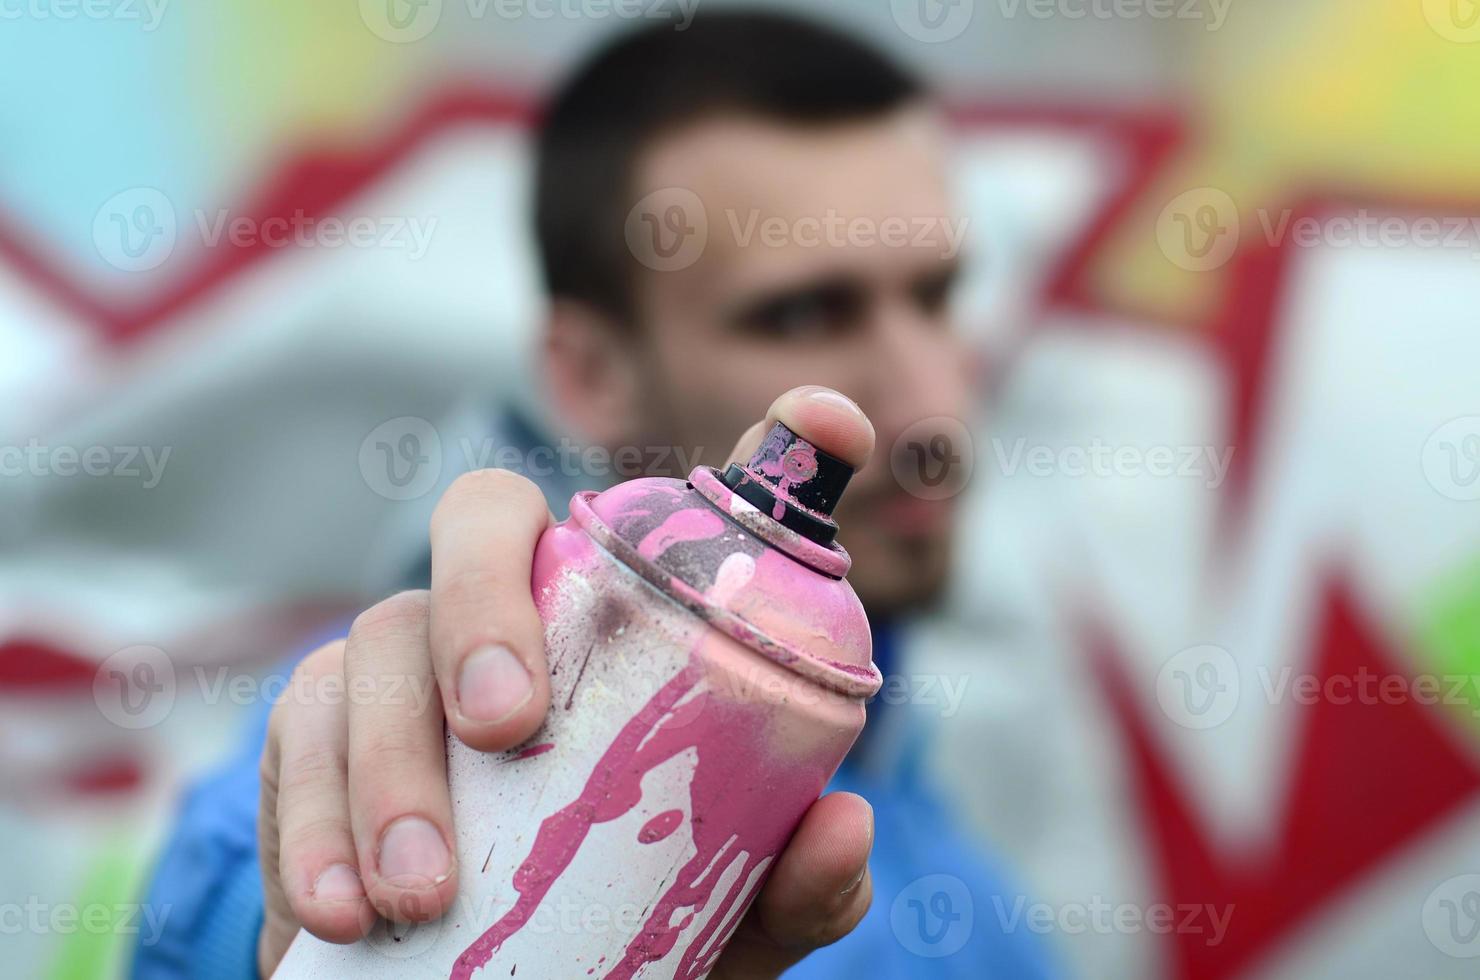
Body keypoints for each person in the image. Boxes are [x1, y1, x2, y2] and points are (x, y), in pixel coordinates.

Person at [133, 12, 1058, 979]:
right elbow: (242, 872)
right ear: (589, 377)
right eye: (802, 314)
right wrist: (289, 932)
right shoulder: (429, 733)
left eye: (937, 296)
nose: (927, 411)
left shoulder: (968, 891)